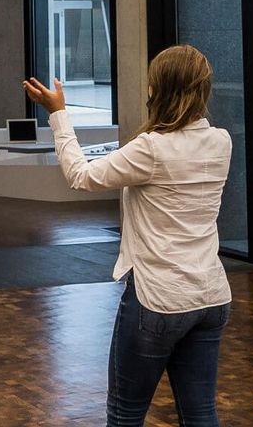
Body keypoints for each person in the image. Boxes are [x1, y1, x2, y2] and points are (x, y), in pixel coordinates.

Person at [23, 45, 233, 427]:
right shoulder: (221, 141)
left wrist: (58, 114)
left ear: (158, 90)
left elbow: (80, 176)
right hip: (211, 297)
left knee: (125, 415)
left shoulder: (151, 149)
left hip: (158, 300)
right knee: (201, 413)